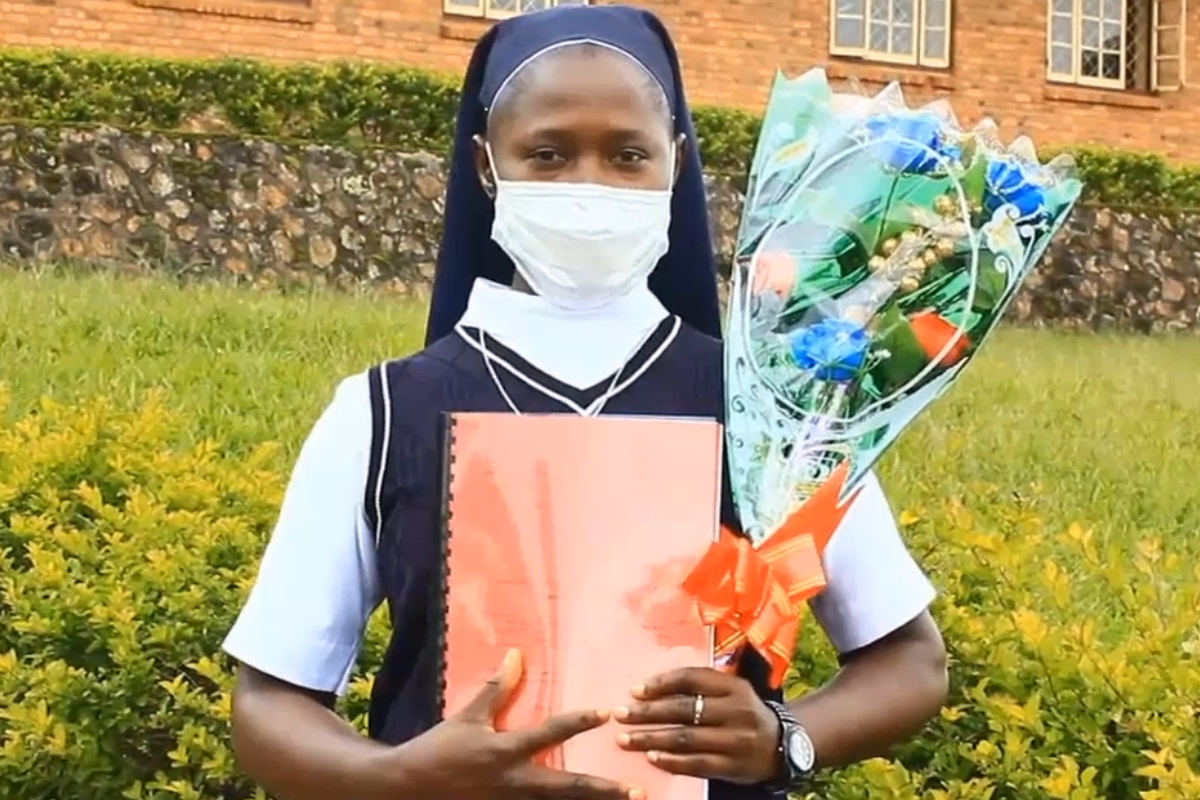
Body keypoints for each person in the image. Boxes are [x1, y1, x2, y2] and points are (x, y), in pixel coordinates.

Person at [222, 6, 949, 800]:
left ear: (674, 163)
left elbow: (909, 658)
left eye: (628, 154)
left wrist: (788, 739)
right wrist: (397, 776)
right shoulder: (382, 414)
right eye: (548, 153)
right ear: (484, 165)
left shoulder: (776, 409)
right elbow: (270, 700)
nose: (589, 185)